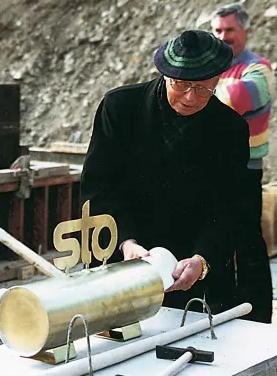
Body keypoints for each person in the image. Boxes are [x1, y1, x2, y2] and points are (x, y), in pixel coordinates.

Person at [80, 30, 250, 312]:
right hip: (122, 255)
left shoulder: (229, 129)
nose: (190, 97)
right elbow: (98, 185)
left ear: (217, 81)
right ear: (166, 76)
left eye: (202, 89)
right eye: (181, 85)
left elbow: (229, 206)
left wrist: (203, 260)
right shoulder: (120, 108)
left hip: (185, 269)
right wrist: (124, 241)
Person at [210, 2, 275, 323]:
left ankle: (259, 317)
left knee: (249, 244)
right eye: (218, 31)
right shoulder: (211, 71)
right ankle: (222, 312)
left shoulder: (259, 68)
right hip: (212, 171)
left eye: (230, 30)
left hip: (246, 172)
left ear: (245, 31)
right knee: (215, 243)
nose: (224, 37)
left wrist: (202, 90)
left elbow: (241, 97)